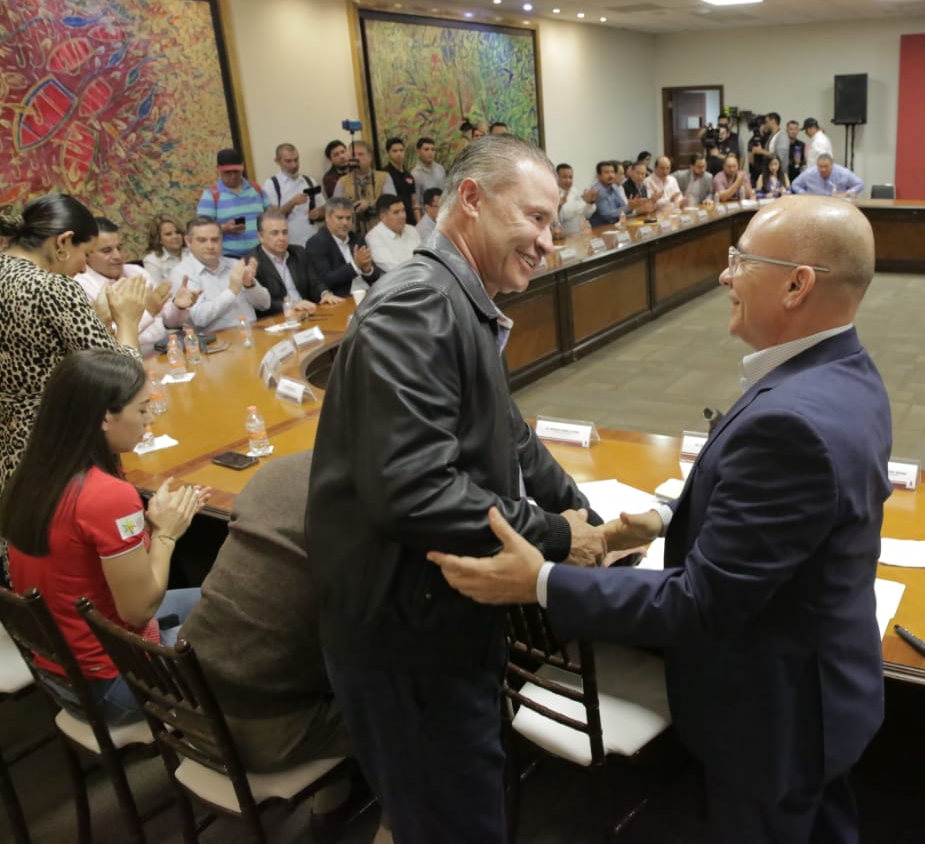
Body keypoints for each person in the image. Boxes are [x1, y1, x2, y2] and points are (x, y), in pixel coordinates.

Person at [429, 194, 892, 844]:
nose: (724, 275)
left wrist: (539, 582)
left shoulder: (792, 423)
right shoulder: (845, 372)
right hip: (819, 694)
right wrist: (667, 515)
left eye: (741, 261)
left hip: (778, 721)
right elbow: (781, 513)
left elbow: (700, 602)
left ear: (797, 285)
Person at [307, 133, 607, 842]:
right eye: (534, 217)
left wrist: (585, 515)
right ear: (470, 199)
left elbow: (511, 435)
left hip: (433, 622)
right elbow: (416, 488)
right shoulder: (418, 303)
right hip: (406, 642)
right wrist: (558, 535)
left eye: (552, 221)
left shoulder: (459, 297)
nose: (547, 241)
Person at [0, 350, 205, 724]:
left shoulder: (35, 473)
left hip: (60, 674)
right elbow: (138, 610)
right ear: (104, 418)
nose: (150, 419)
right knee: (240, 639)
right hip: (111, 685)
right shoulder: (106, 495)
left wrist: (145, 527)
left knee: (218, 601)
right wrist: (165, 535)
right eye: (142, 409)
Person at [181, 451, 351, 772]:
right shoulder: (360, 503)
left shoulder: (274, 472)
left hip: (187, 703)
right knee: (418, 711)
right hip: (262, 733)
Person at [0, 194, 145, 534]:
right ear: (63, 242)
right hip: (53, 439)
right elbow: (120, 379)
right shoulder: (52, 287)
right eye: (85, 253)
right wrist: (127, 321)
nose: (83, 268)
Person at [75, 217, 196, 343]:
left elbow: (170, 322)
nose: (117, 256)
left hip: (166, 347)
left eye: (119, 248)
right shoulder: (81, 287)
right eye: (106, 251)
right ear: (86, 254)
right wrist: (149, 311)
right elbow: (105, 338)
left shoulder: (136, 272)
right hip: (130, 354)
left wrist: (178, 307)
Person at [173, 216, 270, 332]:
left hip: (253, 332)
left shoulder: (234, 264)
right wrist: (232, 291)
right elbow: (199, 318)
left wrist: (250, 285)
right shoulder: (182, 273)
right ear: (188, 241)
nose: (210, 246)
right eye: (202, 240)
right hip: (216, 340)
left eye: (215, 240)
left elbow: (265, 305)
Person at [251, 209, 341, 317]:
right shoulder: (253, 262)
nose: (281, 238)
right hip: (278, 319)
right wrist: (290, 305)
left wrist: (325, 294)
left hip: (308, 313)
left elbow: (314, 283)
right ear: (261, 236)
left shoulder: (298, 252)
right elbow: (262, 304)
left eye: (285, 232)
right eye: (275, 233)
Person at [196, 147, 267, 258]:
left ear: (242, 167)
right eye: (227, 172)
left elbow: (271, 215)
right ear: (218, 169)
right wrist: (224, 228)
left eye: (236, 171)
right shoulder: (210, 195)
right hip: (230, 257)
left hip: (261, 253)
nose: (233, 176)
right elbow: (201, 229)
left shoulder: (255, 188)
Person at [304, 198, 381, 297]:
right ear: (327, 217)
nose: (345, 223)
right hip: (343, 298)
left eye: (348, 218)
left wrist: (367, 270)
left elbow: (375, 276)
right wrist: (355, 266)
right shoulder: (316, 243)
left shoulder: (357, 238)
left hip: (369, 293)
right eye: (340, 218)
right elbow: (326, 280)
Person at [261, 143, 325, 245]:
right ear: (277, 161)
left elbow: (324, 210)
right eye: (288, 161)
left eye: (296, 160)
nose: (294, 165)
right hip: (289, 244)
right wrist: (292, 203)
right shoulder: (271, 185)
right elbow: (272, 218)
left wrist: (318, 214)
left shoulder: (309, 181)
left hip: (313, 241)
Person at [333, 141, 395, 233]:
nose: (356, 158)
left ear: (370, 157)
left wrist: (369, 204)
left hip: (380, 231)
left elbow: (391, 202)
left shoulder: (384, 177)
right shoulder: (342, 182)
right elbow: (336, 209)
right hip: (353, 233)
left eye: (360, 154)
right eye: (353, 155)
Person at [364, 194, 420, 272]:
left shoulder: (412, 229)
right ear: (383, 217)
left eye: (403, 210)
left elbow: (425, 258)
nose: (403, 216)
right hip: (399, 278)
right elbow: (394, 269)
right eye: (396, 212)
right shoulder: (374, 237)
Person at [141, 213, 187, 284]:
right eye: (168, 234)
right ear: (159, 239)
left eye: (177, 232)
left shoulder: (192, 252)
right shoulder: (152, 261)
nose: (175, 237)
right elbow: (157, 289)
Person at [382, 137, 419, 225]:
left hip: (410, 219)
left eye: (401, 150)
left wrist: (419, 221)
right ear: (388, 153)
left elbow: (414, 202)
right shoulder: (384, 174)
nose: (399, 153)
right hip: (394, 219)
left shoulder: (408, 175)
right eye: (395, 151)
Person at [790, 154, 864, 197]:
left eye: (826, 166)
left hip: (838, 204)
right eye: (820, 166)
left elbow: (860, 184)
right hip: (815, 204)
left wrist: (847, 193)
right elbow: (795, 184)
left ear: (832, 164)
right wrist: (803, 193)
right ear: (817, 165)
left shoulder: (843, 173)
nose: (823, 169)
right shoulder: (809, 173)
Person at [554, 163, 595, 235]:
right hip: (566, 235)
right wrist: (584, 202)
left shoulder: (574, 190)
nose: (568, 180)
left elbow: (587, 214)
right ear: (556, 177)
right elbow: (565, 215)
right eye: (564, 177)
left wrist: (590, 202)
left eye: (570, 177)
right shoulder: (554, 192)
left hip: (582, 232)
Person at [587, 160, 627, 227]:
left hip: (614, 225)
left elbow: (622, 205)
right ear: (599, 176)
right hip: (600, 228)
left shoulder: (614, 186)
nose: (610, 175)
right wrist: (629, 207)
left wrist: (630, 206)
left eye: (612, 172)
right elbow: (607, 216)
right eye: (606, 172)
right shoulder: (597, 190)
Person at [412, 137, 447, 204]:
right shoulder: (415, 174)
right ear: (418, 152)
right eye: (426, 149)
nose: (430, 152)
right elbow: (416, 201)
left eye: (433, 150)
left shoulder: (440, 169)